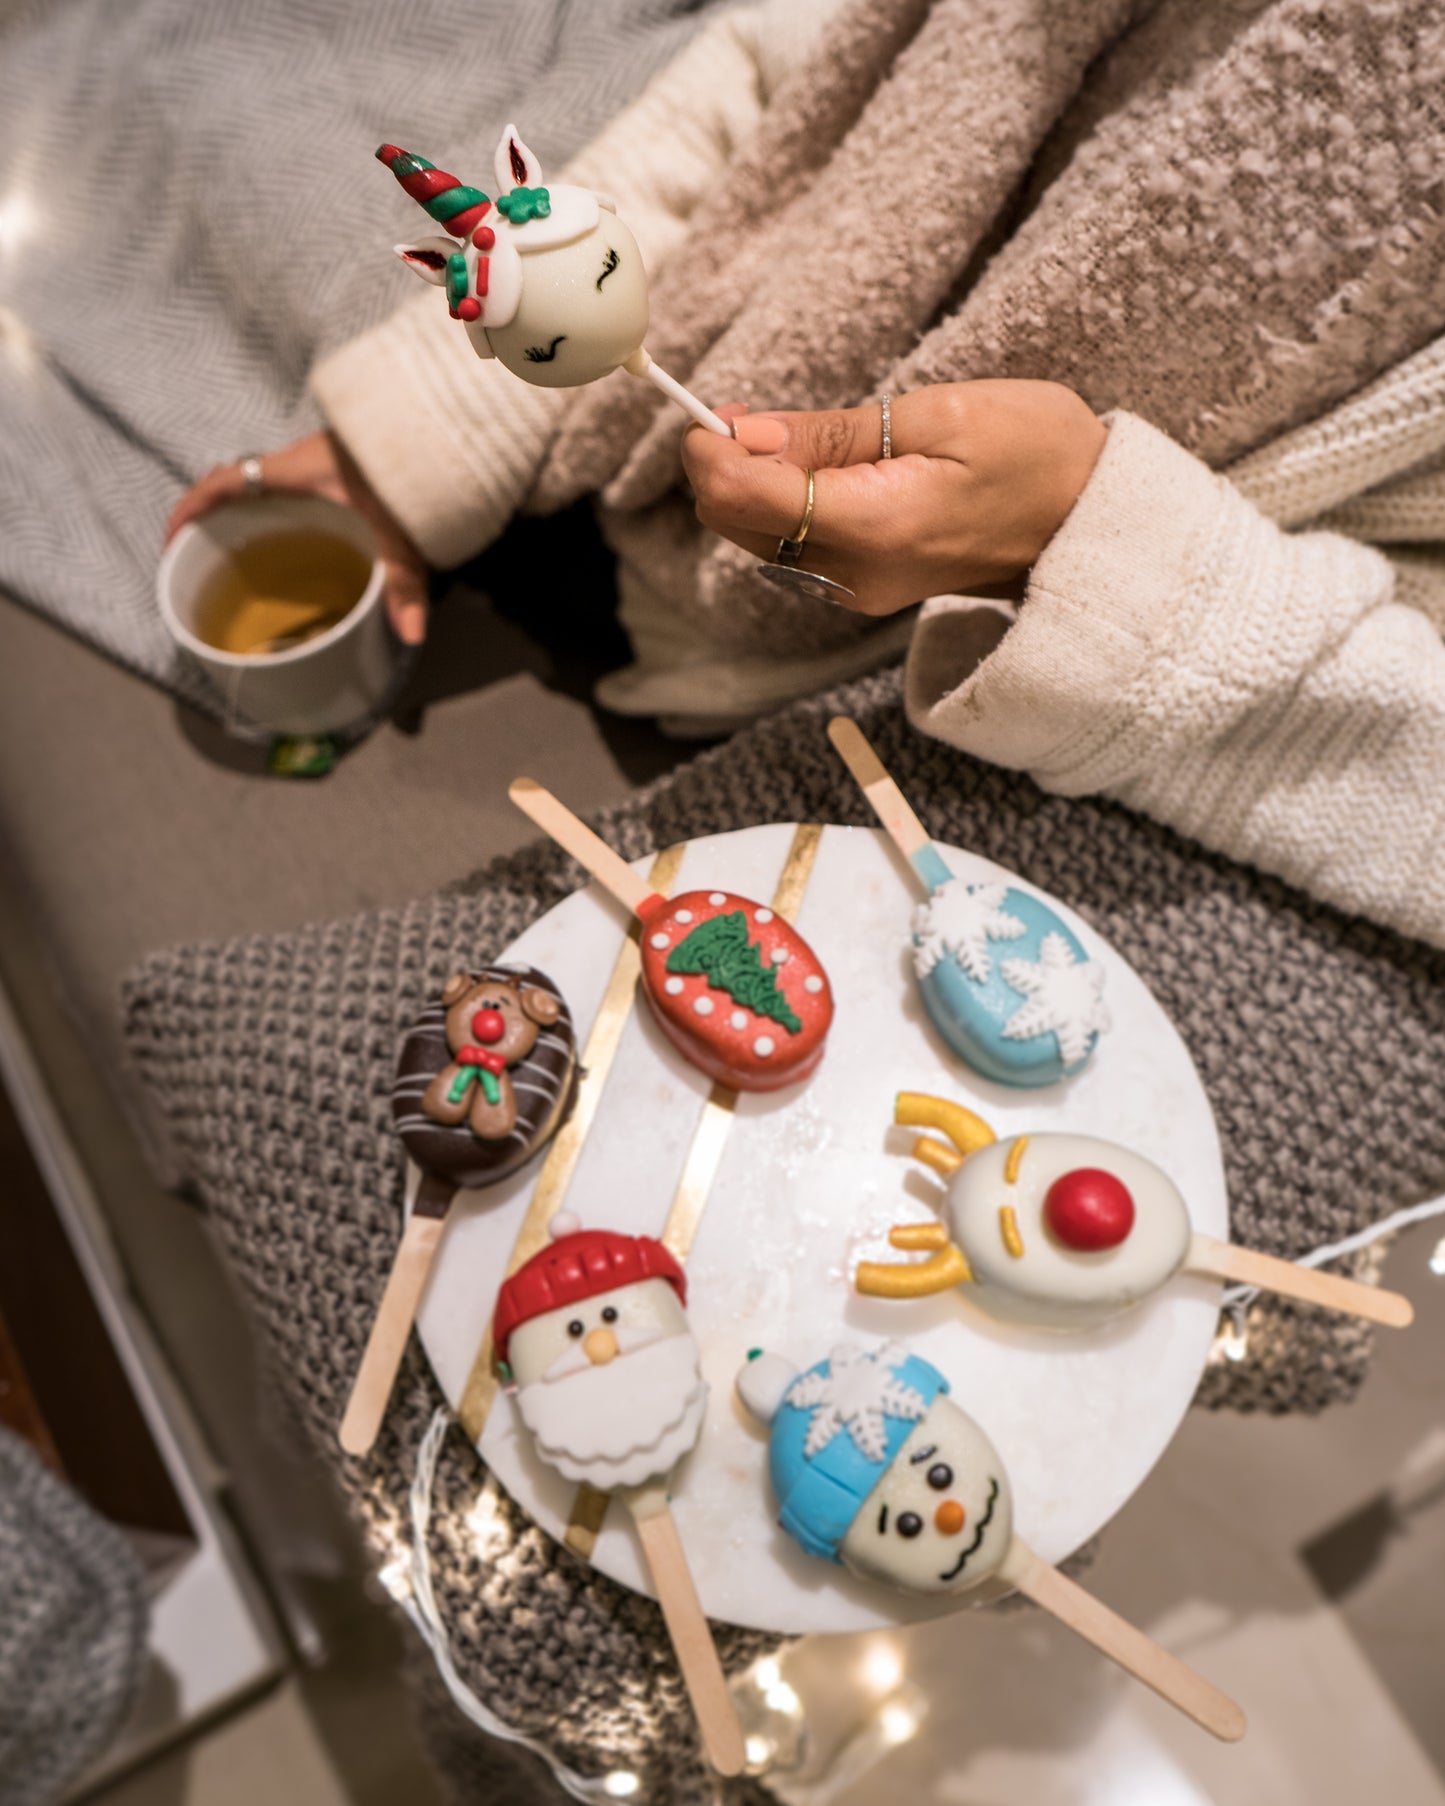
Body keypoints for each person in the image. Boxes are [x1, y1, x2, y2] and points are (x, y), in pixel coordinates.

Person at [166, 0, 1445, 949]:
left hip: (992, 719)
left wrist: (1082, 552)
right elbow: (801, 64)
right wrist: (419, 439)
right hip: (620, 417)